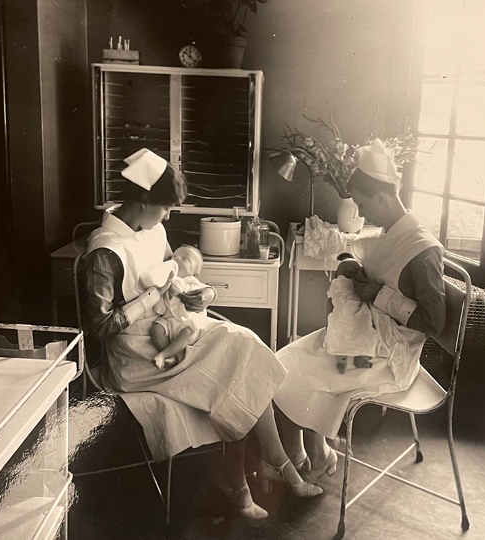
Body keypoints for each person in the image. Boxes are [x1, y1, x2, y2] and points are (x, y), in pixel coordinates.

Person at [83, 149, 322, 522]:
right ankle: (259, 470)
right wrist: (150, 297)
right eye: (164, 207)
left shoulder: (152, 229)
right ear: (143, 199)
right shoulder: (105, 251)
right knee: (236, 358)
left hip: (171, 331)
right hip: (137, 356)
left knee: (247, 345)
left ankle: (265, 466)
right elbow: (99, 327)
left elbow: (173, 276)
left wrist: (197, 293)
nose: (168, 216)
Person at [274, 139, 446, 484]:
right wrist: (353, 266)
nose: (363, 215)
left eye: (365, 205)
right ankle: (313, 447)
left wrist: (380, 295)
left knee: (303, 369)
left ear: (382, 197)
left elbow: (436, 323)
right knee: (285, 360)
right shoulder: (393, 232)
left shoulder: (422, 249)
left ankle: (315, 449)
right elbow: (381, 276)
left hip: (392, 359)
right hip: (368, 338)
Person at [149, 245, 208, 370]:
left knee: (186, 334)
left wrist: (176, 286)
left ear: (195, 274)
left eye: (185, 259)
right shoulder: (166, 280)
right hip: (169, 320)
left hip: (187, 321)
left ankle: (163, 355)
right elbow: (159, 308)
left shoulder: (193, 283)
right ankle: (172, 355)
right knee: (155, 330)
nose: (177, 259)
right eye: (174, 256)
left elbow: (190, 295)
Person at [324, 258, 377, 373]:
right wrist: (329, 319)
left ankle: (360, 357)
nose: (351, 273)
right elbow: (330, 302)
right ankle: (342, 360)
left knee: (365, 332)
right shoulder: (337, 284)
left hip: (358, 314)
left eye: (356, 270)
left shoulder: (361, 284)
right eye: (346, 271)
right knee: (341, 335)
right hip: (344, 314)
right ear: (337, 275)